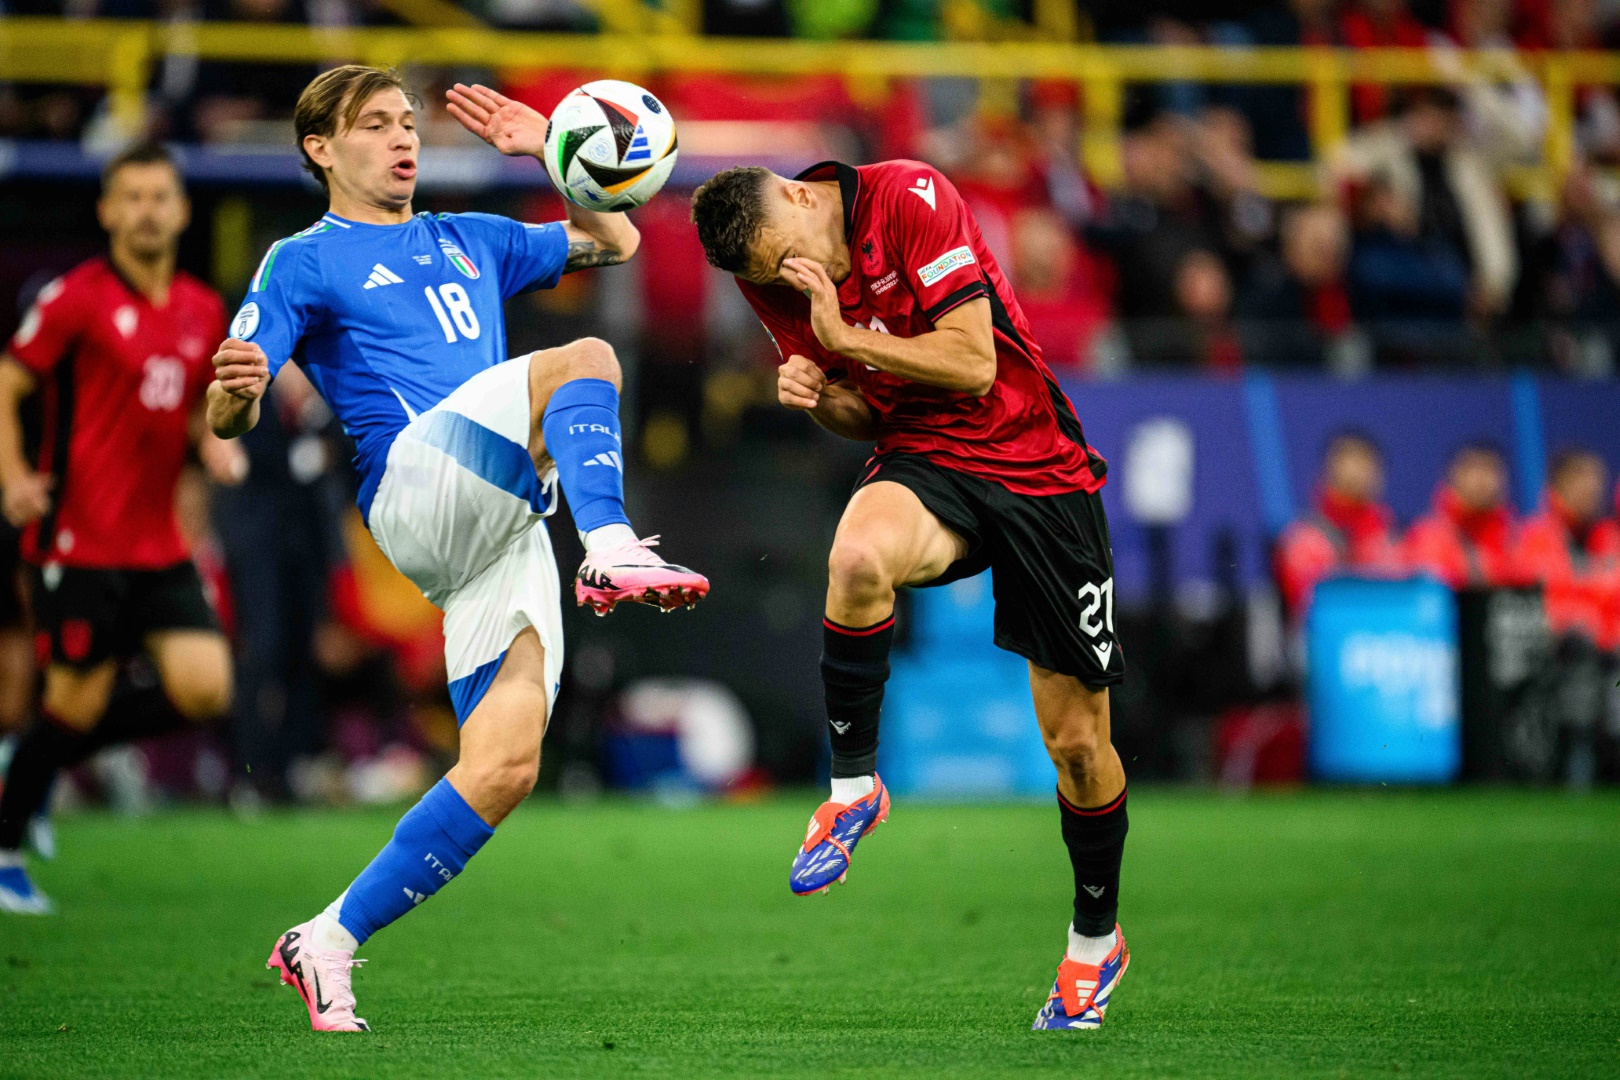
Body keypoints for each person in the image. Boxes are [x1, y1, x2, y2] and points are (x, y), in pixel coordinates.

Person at [206, 67, 707, 1032]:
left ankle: (327, 939)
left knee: (506, 764)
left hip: (493, 524)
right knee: (587, 359)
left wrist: (550, 155)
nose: (406, 140)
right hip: (414, 485)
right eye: (377, 126)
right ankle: (609, 543)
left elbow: (619, 237)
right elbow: (235, 405)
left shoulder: (471, 237)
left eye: (410, 123)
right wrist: (234, 391)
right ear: (320, 148)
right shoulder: (302, 260)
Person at [691, 160, 1130, 1031]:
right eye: (765, 280)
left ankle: (1094, 943)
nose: (782, 285)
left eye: (784, 262)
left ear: (807, 199)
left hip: (1038, 468)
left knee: (1077, 744)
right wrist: (818, 395)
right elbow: (866, 409)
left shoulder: (908, 198)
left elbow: (970, 364)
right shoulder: (769, 270)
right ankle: (854, 787)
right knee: (855, 558)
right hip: (926, 455)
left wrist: (845, 342)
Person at [0, 142, 241, 915]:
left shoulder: (203, 308)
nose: (146, 210)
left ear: (181, 209)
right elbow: (5, 384)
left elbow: (205, 411)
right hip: (79, 541)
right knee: (75, 704)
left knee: (204, 689)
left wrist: (216, 447)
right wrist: (11, 479)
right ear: (106, 211)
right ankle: (7, 846)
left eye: (159, 196)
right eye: (131, 197)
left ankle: (30, 769)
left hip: (159, 545)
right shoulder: (76, 297)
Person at [1274, 431, 1405, 618]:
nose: (1358, 472)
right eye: (1350, 461)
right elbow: (1307, 602)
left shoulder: (1394, 541)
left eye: (1366, 463)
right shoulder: (1303, 539)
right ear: (1328, 469)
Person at [1403, 443, 1522, 589]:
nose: (1481, 479)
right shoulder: (1428, 537)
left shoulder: (1518, 538)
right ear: (1452, 476)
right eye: (1472, 469)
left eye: (1491, 469)